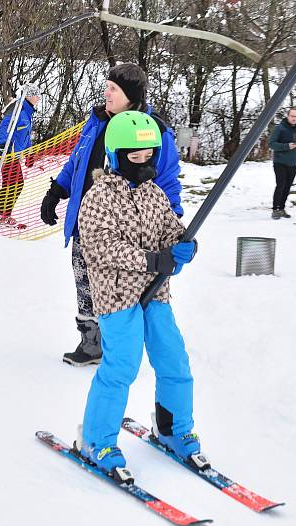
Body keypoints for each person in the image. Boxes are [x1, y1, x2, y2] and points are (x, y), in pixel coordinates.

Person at [74, 111, 200, 477]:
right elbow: (100, 248)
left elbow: (170, 230)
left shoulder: (154, 193)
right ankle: (97, 439)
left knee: (173, 358)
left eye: (149, 156)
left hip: (155, 292)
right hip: (117, 296)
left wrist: (182, 245)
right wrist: (151, 259)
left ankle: (173, 428)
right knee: (122, 365)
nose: (143, 163)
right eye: (135, 156)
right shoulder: (98, 198)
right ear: (115, 156)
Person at [39, 63, 183, 367]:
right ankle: (91, 343)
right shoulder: (97, 122)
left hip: (128, 227)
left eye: (113, 88)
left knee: (120, 287)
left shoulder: (153, 131)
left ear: (130, 95)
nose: (106, 92)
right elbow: (77, 162)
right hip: (88, 221)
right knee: (84, 282)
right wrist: (57, 191)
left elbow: (167, 180)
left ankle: (119, 348)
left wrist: (170, 225)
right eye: (107, 86)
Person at [0, 83, 41, 229]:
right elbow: (4, 126)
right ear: (29, 96)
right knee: (13, 184)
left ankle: (3, 214)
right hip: (7, 153)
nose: (38, 98)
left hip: (15, 155)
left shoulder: (27, 113)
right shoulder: (18, 109)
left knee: (14, 184)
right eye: (36, 95)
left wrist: (29, 154)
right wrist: (3, 144)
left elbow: (25, 137)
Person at [269, 108, 296, 219]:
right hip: (280, 162)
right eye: (292, 116)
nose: (294, 118)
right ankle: (275, 209)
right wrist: (286, 146)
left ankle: (281, 208)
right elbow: (271, 144)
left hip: (293, 163)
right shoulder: (280, 128)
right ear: (288, 116)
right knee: (281, 185)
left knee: (287, 187)